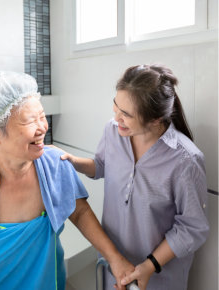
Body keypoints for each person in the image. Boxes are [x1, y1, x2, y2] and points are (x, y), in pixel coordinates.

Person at [0, 71, 135, 290]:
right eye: (31, 121)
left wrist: (115, 259)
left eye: (42, 116)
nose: (43, 127)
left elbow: (79, 212)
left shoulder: (54, 164)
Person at [57, 64, 210, 290]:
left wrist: (149, 266)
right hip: (112, 266)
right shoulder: (113, 131)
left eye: (126, 114)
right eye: (116, 105)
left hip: (157, 278)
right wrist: (72, 161)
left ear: (156, 120)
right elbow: (101, 165)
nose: (116, 117)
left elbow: (192, 227)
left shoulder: (185, 161)